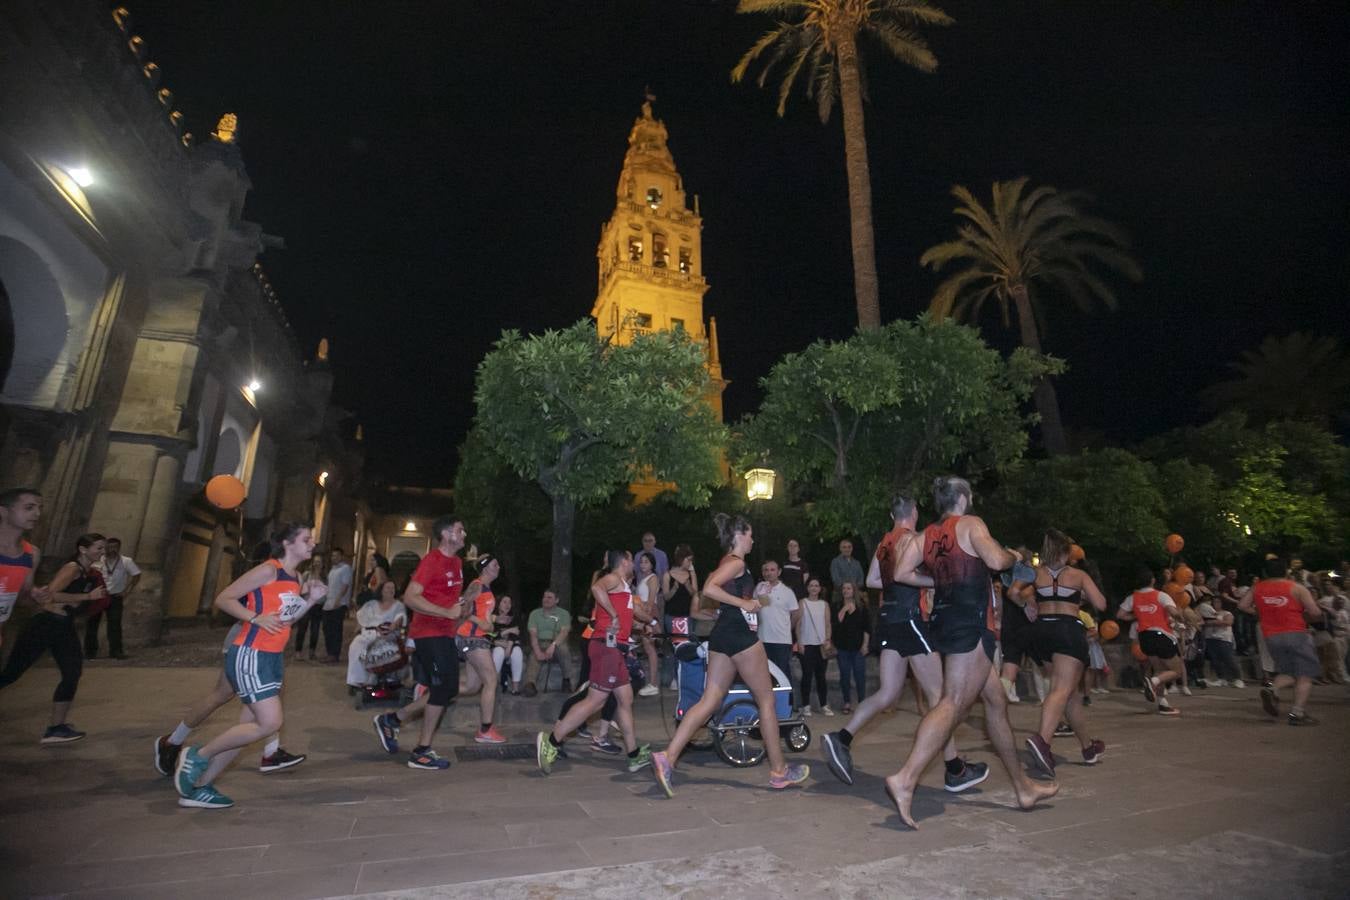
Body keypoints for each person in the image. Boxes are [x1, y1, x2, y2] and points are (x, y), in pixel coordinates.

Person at [883, 476, 1057, 829]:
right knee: (952, 702)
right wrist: (1016, 556)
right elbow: (995, 560)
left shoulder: (926, 535)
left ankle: (1023, 787)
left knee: (995, 702)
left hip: (946, 623)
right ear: (962, 497)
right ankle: (905, 778)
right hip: (972, 625)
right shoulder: (972, 524)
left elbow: (900, 572)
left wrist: (936, 581)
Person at [824, 494, 988, 793]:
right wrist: (934, 582)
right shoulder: (916, 538)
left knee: (888, 693)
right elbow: (917, 574)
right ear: (913, 513)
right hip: (911, 619)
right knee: (942, 700)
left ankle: (841, 738)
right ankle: (955, 770)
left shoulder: (884, 542)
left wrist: (899, 583)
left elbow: (873, 581)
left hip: (888, 619)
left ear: (892, 515)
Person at [650, 515, 809, 797]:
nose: (753, 539)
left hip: (722, 636)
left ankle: (668, 757)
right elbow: (709, 587)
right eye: (749, 535)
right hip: (739, 636)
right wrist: (744, 603)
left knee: (709, 702)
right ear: (738, 535)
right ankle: (779, 772)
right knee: (767, 701)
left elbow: (717, 591)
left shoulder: (727, 561)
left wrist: (747, 604)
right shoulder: (736, 562)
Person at [173, 523, 326, 808]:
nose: (312, 543)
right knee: (269, 723)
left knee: (248, 727)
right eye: (307, 539)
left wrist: (311, 600)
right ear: (287, 543)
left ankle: (200, 788)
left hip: (271, 656)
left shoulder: (294, 578)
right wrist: (255, 617)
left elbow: (287, 620)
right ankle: (197, 755)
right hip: (251, 653)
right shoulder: (269, 570)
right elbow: (224, 598)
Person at [536, 550, 651, 774]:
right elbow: (597, 588)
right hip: (606, 647)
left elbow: (633, 613)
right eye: (631, 560)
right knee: (595, 701)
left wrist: (648, 623)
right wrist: (614, 615)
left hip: (617, 650)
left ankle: (634, 754)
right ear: (625, 562)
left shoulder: (625, 588)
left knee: (625, 699)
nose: (634, 564)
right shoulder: (614, 579)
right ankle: (551, 742)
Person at [372, 516, 469, 770]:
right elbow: (411, 597)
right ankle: (421, 751)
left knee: (448, 689)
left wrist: (461, 608)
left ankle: (392, 720)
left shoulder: (457, 562)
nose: (464, 534)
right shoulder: (432, 561)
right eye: (460, 530)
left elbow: (448, 599)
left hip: (445, 634)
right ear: (447, 534)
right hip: (428, 633)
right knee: (441, 689)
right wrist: (445, 613)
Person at [0, 527, 105, 745]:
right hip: (45, 625)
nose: (102, 552)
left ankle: (56, 728)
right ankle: (56, 727)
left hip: (62, 626)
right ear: (82, 549)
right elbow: (50, 594)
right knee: (11, 673)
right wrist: (86, 596)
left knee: (72, 671)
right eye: (99, 548)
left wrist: (78, 600)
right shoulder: (73, 568)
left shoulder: (87, 572)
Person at [1020, 530, 1109, 776]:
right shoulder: (1078, 575)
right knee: (1061, 689)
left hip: (1041, 633)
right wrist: (1081, 593)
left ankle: (1088, 747)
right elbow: (1101, 603)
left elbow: (1017, 593)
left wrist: (1029, 605)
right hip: (1067, 631)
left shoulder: (1037, 574)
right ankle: (1043, 742)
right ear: (1066, 551)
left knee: (1071, 694)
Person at [1239, 557, 1323, 725]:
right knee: (1305, 673)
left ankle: (1272, 688)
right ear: (1285, 571)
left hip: (1271, 635)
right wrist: (1303, 615)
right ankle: (1297, 713)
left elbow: (1242, 606)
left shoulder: (1257, 588)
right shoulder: (1296, 588)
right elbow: (1315, 612)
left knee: (1289, 670)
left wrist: (1260, 613)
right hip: (1296, 632)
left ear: (1265, 572)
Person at [1116, 569, 1184, 716]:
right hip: (1162, 635)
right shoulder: (1161, 595)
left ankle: (1163, 704)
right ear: (1152, 580)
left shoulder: (1132, 597)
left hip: (1144, 637)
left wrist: (1138, 615)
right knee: (1177, 670)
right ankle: (1152, 682)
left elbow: (1120, 614)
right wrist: (1181, 616)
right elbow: (1173, 612)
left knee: (1159, 669)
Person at [456, 554, 507, 743]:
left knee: (472, 687)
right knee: (491, 681)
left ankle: (431, 689)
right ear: (485, 568)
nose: (499, 567)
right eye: (495, 564)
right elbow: (462, 610)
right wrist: (485, 625)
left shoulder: (486, 588)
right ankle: (485, 730)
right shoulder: (476, 585)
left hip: (477, 638)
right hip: (472, 638)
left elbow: (479, 612)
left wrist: (493, 620)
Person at [0, 488, 45, 652]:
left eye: (40, 508)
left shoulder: (31, 553)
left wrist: (34, 595)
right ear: (4, 511)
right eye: (29, 508)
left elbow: (22, 599)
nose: (37, 514)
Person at [753, 559, 799, 711]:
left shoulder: (787, 592)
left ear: (779, 572)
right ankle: (767, 706)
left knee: (782, 673)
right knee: (764, 675)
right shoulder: (759, 588)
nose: (769, 573)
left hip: (781, 641)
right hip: (762, 639)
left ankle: (788, 705)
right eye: (766, 570)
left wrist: (787, 629)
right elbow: (755, 609)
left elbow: (796, 614)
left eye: (772, 570)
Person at [346, 579, 407, 689]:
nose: (391, 590)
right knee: (356, 645)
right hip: (369, 634)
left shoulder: (398, 605)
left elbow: (400, 617)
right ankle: (357, 680)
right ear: (382, 590)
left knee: (378, 647)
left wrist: (393, 625)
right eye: (388, 587)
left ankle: (374, 677)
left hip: (388, 635)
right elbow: (362, 618)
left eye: (393, 588)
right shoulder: (372, 604)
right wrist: (356, 631)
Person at [86, 536, 140, 659]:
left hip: (115, 596)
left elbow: (136, 575)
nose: (112, 550)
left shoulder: (126, 561)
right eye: (110, 547)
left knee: (115, 624)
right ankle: (90, 652)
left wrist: (127, 591)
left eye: (115, 547)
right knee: (92, 624)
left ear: (119, 547)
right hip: (98, 596)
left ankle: (116, 651)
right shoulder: (97, 561)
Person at [996, 548, 1038, 703]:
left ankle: (996, 704)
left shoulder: (1004, 577)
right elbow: (1016, 593)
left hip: (1010, 627)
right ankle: (1056, 715)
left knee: (1009, 667)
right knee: (1049, 670)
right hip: (1029, 626)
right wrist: (1026, 606)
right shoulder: (1027, 577)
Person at [661, 544, 700, 688]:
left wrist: (689, 583)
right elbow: (666, 597)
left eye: (691, 560)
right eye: (688, 560)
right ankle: (672, 678)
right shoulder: (667, 574)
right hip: (672, 615)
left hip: (687, 616)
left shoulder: (691, 574)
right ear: (681, 559)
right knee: (673, 646)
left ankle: (686, 677)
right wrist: (675, 588)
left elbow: (695, 594)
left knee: (687, 645)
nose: (690, 563)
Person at [523, 589, 573, 696]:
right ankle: (530, 684)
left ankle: (566, 680)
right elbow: (533, 634)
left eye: (550, 597)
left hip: (557, 642)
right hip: (540, 642)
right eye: (544, 597)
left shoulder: (564, 614)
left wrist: (553, 645)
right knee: (534, 656)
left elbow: (564, 632)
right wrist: (537, 651)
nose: (546, 599)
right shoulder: (535, 614)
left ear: (557, 600)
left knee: (564, 650)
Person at [796, 577, 833, 716]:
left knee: (821, 677)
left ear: (820, 588)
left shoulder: (824, 604)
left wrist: (828, 639)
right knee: (807, 676)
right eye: (811, 585)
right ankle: (806, 705)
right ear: (807, 588)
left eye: (816, 585)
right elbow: (798, 624)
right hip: (807, 644)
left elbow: (828, 624)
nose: (814, 588)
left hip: (821, 645)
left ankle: (824, 705)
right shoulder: (803, 603)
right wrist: (799, 641)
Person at [833, 581, 871, 714]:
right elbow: (837, 623)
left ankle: (862, 703)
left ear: (854, 590)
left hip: (858, 648)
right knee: (845, 676)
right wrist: (844, 609)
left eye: (848, 588)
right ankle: (847, 702)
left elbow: (867, 628)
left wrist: (865, 645)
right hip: (842, 647)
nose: (846, 590)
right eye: (844, 588)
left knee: (860, 676)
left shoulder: (862, 607)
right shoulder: (837, 605)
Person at [1196, 589, 1244, 688]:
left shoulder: (1226, 613)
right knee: (1215, 660)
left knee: (1229, 658)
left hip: (1223, 639)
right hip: (1210, 638)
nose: (1215, 604)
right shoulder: (1207, 612)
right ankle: (1221, 678)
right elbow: (1202, 622)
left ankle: (1238, 678)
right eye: (1213, 602)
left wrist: (1211, 622)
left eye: (1217, 602)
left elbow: (1228, 622)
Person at [633, 551, 662, 697]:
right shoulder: (641, 578)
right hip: (641, 614)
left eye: (646, 562)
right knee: (645, 647)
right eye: (641, 562)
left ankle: (653, 683)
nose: (643, 564)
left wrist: (648, 619)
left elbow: (651, 600)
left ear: (652, 564)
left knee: (650, 648)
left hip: (648, 613)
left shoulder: (653, 578)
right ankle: (647, 681)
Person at [320, 547, 354, 664]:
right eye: (333, 556)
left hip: (339, 604)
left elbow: (345, 585)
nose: (334, 558)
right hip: (328, 603)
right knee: (327, 629)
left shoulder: (345, 568)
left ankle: (334, 654)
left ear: (341, 556)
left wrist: (338, 600)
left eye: (336, 555)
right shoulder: (333, 570)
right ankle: (329, 653)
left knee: (335, 630)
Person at [491, 594, 524, 694]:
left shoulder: (514, 618)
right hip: (495, 646)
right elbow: (491, 636)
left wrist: (509, 646)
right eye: (504, 602)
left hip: (510, 645)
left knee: (517, 652)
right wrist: (508, 631)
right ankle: (493, 686)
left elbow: (516, 634)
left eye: (509, 602)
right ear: (498, 604)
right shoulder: (493, 618)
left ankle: (515, 688)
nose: (507, 605)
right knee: (499, 651)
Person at [829, 539, 865, 606]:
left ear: (852, 548)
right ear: (840, 548)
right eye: (844, 547)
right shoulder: (835, 562)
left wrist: (854, 589)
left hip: (856, 596)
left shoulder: (857, 563)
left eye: (849, 547)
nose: (847, 549)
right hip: (840, 596)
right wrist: (848, 589)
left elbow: (861, 580)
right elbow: (836, 580)